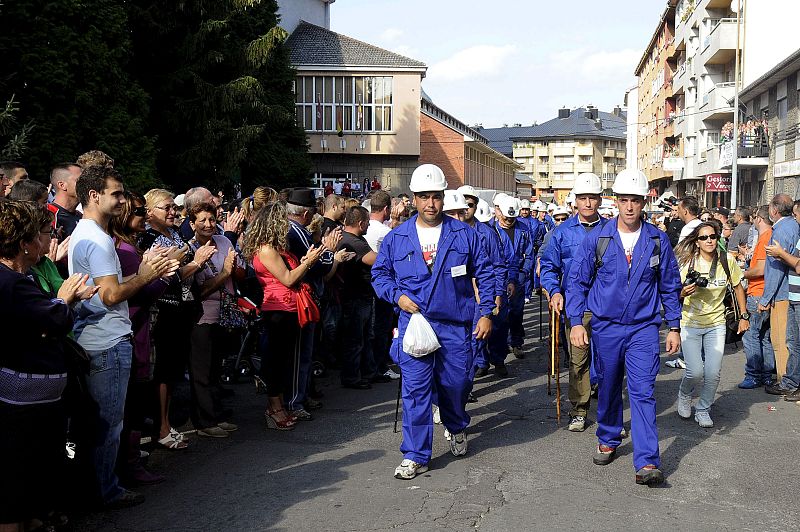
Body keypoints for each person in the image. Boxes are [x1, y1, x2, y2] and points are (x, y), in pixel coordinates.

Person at [372, 164, 494, 480]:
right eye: (424, 197)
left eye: (436, 197)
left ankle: (455, 425)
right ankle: (416, 454)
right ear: (414, 198)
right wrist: (397, 297)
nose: (430, 204)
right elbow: (379, 275)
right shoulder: (397, 238)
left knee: (456, 385)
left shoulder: (465, 235)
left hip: (455, 326)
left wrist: (485, 314)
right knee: (415, 391)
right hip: (414, 325)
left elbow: (487, 274)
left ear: (443, 197)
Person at [68, 167, 178, 507]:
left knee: (102, 423)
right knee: (107, 425)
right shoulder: (97, 239)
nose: (122, 200)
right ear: (93, 196)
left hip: (100, 339)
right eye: (115, 194)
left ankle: (99, 487)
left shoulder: (87, 233)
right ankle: (104, 491)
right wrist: (145, 274)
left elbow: (100, 292)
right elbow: (113, 295)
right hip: (106, 342)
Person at [566, 168, 682, 486]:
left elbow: (670, 285)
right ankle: (608, 436)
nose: (629, 207)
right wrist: (577, 322)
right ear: (614, 201)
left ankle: (646, 462)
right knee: (608, 385)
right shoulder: (597, 240)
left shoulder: (658, 241)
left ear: (644, 202)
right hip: (605, 327)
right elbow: (576, 282)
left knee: (643, 392)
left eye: (635, 200)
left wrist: (674, 326)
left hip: (644, 329)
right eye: (624, 200)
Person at [0, 201, 97, 531]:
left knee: (34, 477)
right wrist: (65, 298)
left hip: (40, 403)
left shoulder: (17, 278)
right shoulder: (11, 282)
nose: (49, 239)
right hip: (22, 407)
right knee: (16, 487)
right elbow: (51, 321)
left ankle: (42, 514)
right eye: (43, 233)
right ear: (26, 242)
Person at [143, 189, 216, 450]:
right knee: (162, 370)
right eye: (166, 208)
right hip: (163, 310)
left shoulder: (173, 233)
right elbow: (167, 275)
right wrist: (195, 263)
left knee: (172, 370)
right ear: (149, 211)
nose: (173, 212)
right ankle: (160, 427)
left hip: (182, 309)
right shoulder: (149, 236)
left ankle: (166, 423)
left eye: (174, 207)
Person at [243, 201, 324, 430]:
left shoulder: (278, 248)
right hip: (278, 309)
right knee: (275, 362)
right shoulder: (267, 249)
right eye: (282, 222)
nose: (286, 227)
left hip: (288, 308)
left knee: (283, 361)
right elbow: (288, 278)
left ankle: (279, 406)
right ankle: (274, 408)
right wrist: (308, 262)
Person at [108, 191, 170, 486]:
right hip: (132, 331)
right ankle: (128, 466)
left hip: (136, 330)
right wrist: (164, 274)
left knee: (134, 402)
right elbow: (137, 294)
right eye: (137, 211)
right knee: (132, 403)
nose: (143, 216)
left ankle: (129, 462)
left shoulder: (127, 247)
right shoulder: (123, 250)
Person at [540, 173, 607, 433]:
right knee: (578, 360)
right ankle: (579, 410)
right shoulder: (562, 232)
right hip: (575, 307)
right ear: (575, 202)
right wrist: (554, 290)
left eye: (593, 198)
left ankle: (608, 412)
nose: (588, 203)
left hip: (607, 306)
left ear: (600, 199)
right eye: (583, 198)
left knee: (606, 360)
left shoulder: (612, 229)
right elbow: (548, 266)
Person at [674, 223, 748, 427]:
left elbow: (738, 287)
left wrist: (744, 315)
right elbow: (672, 293)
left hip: (716, 323)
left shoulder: (727, 260)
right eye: (703, 238)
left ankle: (703, 409)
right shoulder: (688, 263)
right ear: (696, 242)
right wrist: (682, 293)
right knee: (695, 371)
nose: (709, 241)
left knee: (713, 372)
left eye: (712, 236)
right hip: (690, 322)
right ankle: (684, 393)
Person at [188, 202, 246, 438]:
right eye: (202, 220)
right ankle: (204, 422)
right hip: (202, 316)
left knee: (215, 369)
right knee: (200, 371)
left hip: (226, 314)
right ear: (192, 224)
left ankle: (216, 415)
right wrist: (223, 273)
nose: (208, 225)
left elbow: (241, 271)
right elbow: (198, 291)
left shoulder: (224, 241)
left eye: (212, 220)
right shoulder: (189, 250)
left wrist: (233, 269)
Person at [284, 188, 341, 419]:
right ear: (307, 214)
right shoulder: (295, 232)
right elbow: (318, 265)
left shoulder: (298, 231)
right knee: (299, 355)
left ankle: (301, 396)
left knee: (305, 354)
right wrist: (329, 251)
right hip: (298, 299)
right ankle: (294, 402)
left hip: (306, 299)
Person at [456, 184, 506, 380]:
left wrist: (498, 293)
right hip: (456, 294)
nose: (466, 209)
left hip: (481, 294)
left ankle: (486, 364)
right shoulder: (447, 231)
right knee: (460, 342)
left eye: (470, 204)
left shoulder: (487, 233)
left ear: (476, 206)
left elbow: (498, 266)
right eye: (463, 204)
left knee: (476, 337)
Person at [337, 206, 381, 388]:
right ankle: (352, 377)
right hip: (355, 297)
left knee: (364, 337)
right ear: (361, 223)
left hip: (360, 295)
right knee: (355, 339)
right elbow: (377, 260)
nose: (369, 226)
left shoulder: (355, 239)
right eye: (368, 223)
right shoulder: (353, 242)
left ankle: (369, 372)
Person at [760, 194, 800, 387]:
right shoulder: (791, 226)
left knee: (781, 342)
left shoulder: (782, 230)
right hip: (788, 290)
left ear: (774, 210)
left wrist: (766, 297)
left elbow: (777, 268)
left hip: (783, 293)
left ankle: (786, 381)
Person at [489, 195, 534, 367]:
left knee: (516, 313)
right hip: (498, 279)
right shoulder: (491, 230)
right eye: (506, 218)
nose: (509, 221)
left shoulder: (523, 229)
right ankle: (496, 351)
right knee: (498, 316)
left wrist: (522, 275)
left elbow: (529, 254)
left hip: (518, 278)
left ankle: (516, 342)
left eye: (512, 218)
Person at [738, 206, 776, 389]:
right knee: (764, 336)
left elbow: (760, 269)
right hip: (767, 292)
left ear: (759, 219)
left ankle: (754, 375)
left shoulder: (764, 238)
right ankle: (767, 374)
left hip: (758, 292)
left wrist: (742, 274)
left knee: (751, 334)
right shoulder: (771, 236)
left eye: (754, 218)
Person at [365, 190, 400, 381]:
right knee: (381, 329)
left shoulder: (365, 226)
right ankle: (380, 366)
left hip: (368, 286)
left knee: (372, 330)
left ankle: (375, 366)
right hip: (382, 286)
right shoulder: (385, 232)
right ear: (386, 209)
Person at [48, 163, 83, 239]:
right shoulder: (49, 214)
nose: (86, 184)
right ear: (62, 185)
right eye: (80, 180)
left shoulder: (82, 216)